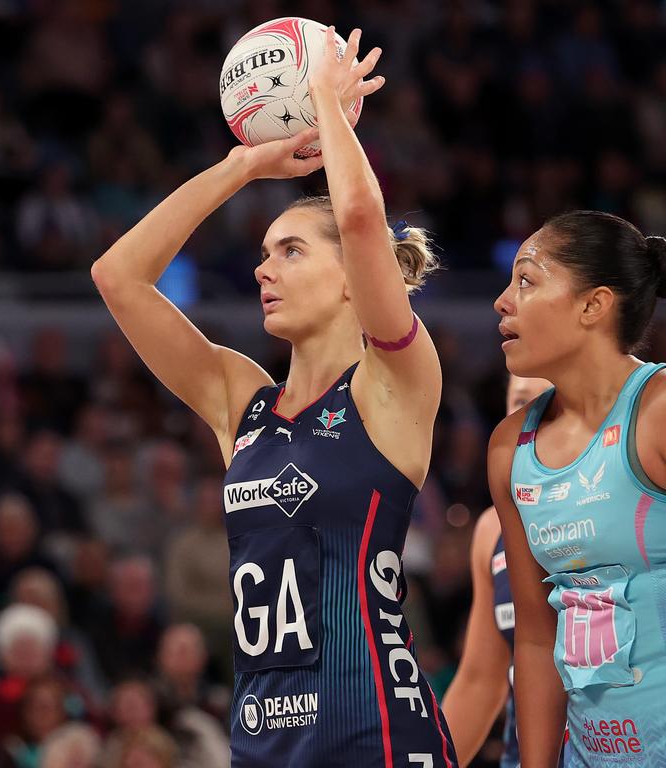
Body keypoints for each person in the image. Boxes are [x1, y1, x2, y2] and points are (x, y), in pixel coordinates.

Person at [92, 27, 455, 767]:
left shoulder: (396, 381)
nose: (265, 269)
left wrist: (324, 98)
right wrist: (242, 166)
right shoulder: (243, 400)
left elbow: (358, 219)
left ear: (355, 274)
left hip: (375, 733)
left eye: (290, 251)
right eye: (261, 254)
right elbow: (117, 276)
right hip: (263, 738)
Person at [488, 210, 666, 766]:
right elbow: (538, 641)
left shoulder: (657, 413)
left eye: (527, 280)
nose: (503, 301)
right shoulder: (507, 449)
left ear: (594, 305)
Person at [442, 375, 551, 767]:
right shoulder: (492, 529)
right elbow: (480, 682)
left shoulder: (636, 510)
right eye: (520, 402)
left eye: (550, 402)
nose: (533, 419)